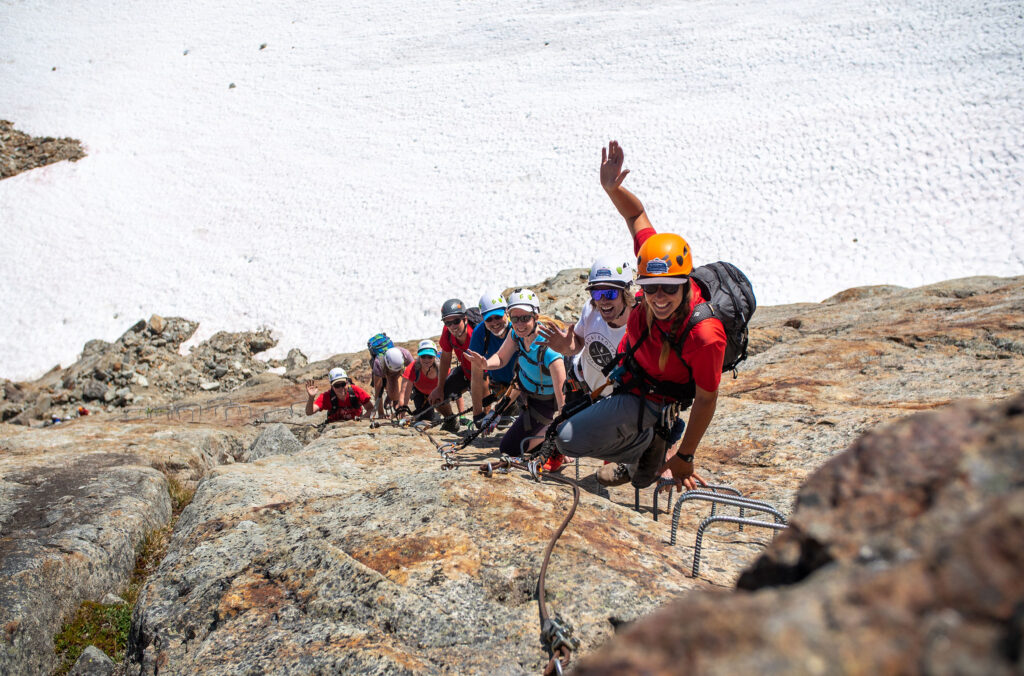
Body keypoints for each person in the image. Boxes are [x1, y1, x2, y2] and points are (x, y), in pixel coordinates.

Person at [554, 141, 726, 491]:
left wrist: (686, 456)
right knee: (565, 437)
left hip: (656, 399)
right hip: (628, 383)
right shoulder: (654, 264)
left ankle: (653, 442)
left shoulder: (704, 334)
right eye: (650, 289)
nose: (659, 298)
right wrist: (611, 188)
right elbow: (636, 217)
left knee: (639, 477)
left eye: (669, 289)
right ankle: (644, 447)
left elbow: (707, 398)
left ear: (685, 283)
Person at [464, 288, 568, 470]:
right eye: (515, 318)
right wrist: (485, 364)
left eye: (525, 318)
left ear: (535, 316)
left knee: (519, 446)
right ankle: (547, 436)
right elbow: (501, 358)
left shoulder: (549, 348)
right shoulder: (516, 336)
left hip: (547, 403)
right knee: (508, 448)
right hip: (532, 401)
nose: (519, 324)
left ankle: (555, 442)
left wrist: (561, 432)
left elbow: (562, 402)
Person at [539, 256, 635, 396]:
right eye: (597, 293)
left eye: (610, 293)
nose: (603, 301)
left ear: (625, 292)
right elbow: (578, 343)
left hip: (614, 401)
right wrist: (566, 347)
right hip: (580, 385)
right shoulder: (591, 309)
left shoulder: (637, 327)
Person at [468, 289, 517, 423]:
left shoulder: (518, 328)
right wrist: (477, 414)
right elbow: (476, 376)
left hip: (522, 384)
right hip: (500, 385)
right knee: (502, 423)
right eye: (489, 319)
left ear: (506, 312)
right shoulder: (480, 333)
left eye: (498, 317)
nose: (494, 323)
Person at [430, 298, 476, 433]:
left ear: (465, 319)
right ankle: (450, 420)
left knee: (481, 417)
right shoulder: (447, 333)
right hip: (465, 372)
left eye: (456, 321)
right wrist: (440, 387)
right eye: (447, 322)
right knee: (436, 398)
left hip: (482, 375)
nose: (452, 326)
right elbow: (445, 359)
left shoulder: (475, 333)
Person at [305, 367, 373, 422]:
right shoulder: (326, 397)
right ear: (332, 386)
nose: (341, 388)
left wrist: (360, 419)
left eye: (343, 384)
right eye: (337, 386)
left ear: (347, 383)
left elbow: (371, 409)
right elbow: (309, 412)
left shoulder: (356, 391)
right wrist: (311, 398)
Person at [400, 340, 442, 421]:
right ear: (419, 357)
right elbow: (404, 392)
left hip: (438, 394)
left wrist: (462, 416)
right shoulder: (412, 367)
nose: (426, 360)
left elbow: (455, 390)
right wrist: (402, 409)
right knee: (426, 418)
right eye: (423, 356)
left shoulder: (442, 368)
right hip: (421, 394)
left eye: (430, 357)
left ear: (435, 356)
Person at [371, 345, 414, 418]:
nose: (395, 372)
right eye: (394, 371)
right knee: (388, 385)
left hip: (397, 369)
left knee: (397, 390)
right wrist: (381, 413)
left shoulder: (406, 355)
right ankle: (391, 397)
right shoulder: (378, 363)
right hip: (385, 371)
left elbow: (415, 375)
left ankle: (395, 402)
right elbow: (378, 391)